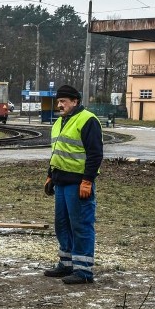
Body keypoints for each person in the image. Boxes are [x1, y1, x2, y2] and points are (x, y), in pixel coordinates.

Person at [43, 85, 103, 285]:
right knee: (62, 225)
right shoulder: (60, 121)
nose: (60, 105)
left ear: (75, 102)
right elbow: (57, 152)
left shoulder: (88, 120)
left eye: (64, 101)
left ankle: (84, 270)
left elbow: (95, 154)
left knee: (81, 225)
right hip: (62, 181)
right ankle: (67, 263)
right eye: (58, 101)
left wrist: (87, 180)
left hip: (78, 183)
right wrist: (50, 175)